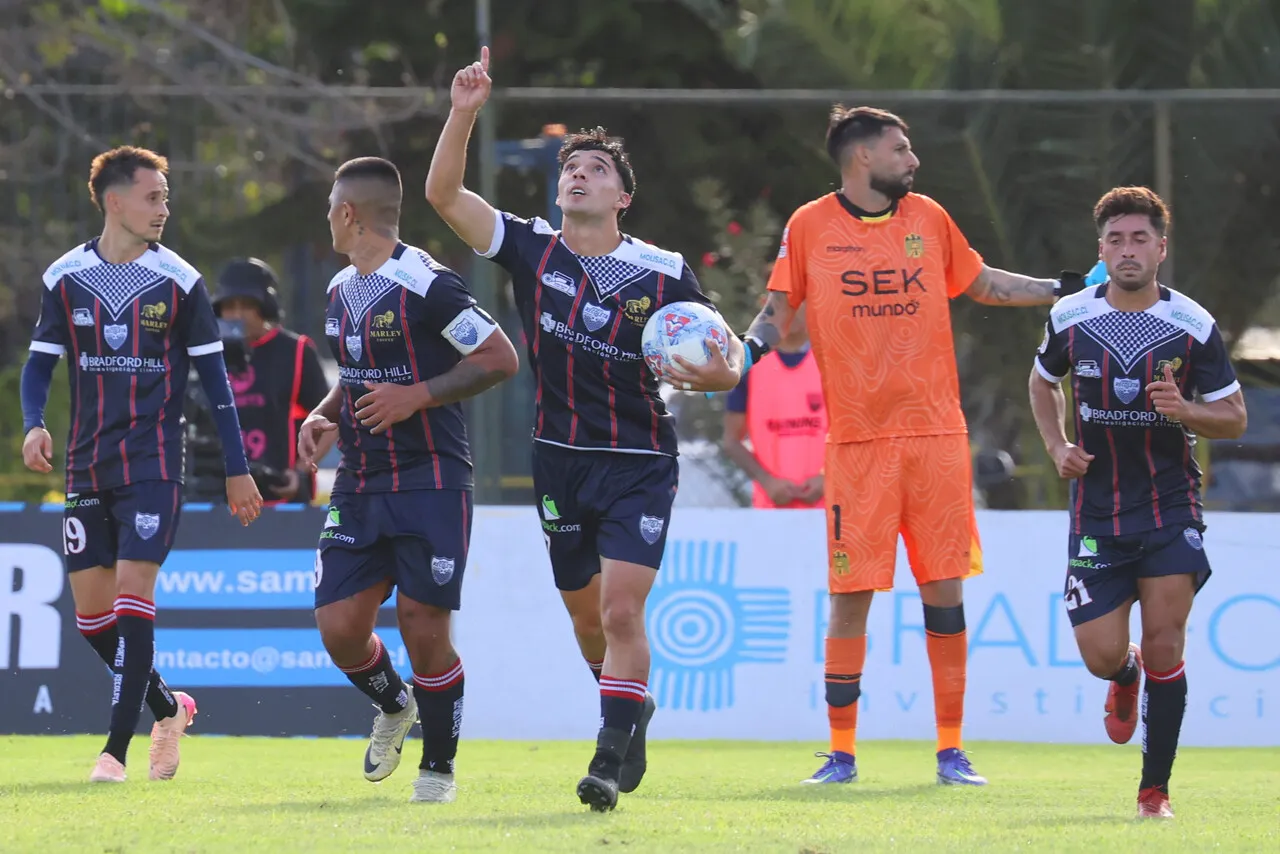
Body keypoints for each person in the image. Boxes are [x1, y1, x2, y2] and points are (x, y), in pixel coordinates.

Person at [425, 48, 746, 811]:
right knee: (586, 623)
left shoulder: (664, 273)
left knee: (621, 611)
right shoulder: (533, 249)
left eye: (597, 168)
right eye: (571, 167)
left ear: (622, 196)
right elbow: (443, 195)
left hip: (637, 461)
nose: (579, 175)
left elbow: (725, 361)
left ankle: (606, 759)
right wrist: (463, 110)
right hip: (558, 461)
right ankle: (629, 705)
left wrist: (713, 373)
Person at [741, 106, 1079, 787]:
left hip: (936, 437)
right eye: (902, 149)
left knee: (944, 593)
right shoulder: (809, 226)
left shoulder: (928, 216)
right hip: (858, 444)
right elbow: (776, 314)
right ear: (862, 157)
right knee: (850, 598)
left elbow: (981, 282)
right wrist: (735, 354)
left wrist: (1062, 289)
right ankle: (841, 755)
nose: (913, 159)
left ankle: (952, 751)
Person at [19, 145, 262, 783]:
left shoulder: (181, 281)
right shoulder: (64, 277)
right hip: (85, 465)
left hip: (154, 463)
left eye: (166, 196)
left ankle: (114, 752)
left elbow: (216, 386)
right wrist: (33, 422)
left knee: (133, 606)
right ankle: (169, 707)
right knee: (94, 623)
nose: (164, 208)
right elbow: (40, 363)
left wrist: (238, 469)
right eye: (153, 197)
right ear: (114, 201)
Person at [296, 156, 519, 804]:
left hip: (431, 479)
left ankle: (438, 771)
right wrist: (325, 413)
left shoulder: (429, 285)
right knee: (339, 626)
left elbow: (498, 357)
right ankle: (395, 706)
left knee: (424, 625)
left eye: (330, 211)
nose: (328, 222)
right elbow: (362, 376)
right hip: (361, 482)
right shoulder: (341, 290)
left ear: (348, 214)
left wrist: (416, 395)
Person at [1029, 187, 1246, 819]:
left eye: (1140, 239)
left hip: (1169, 507)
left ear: (1161, 248)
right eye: (1116, 240)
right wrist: (1057, 444)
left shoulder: (1193, 326)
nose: (1128, 250)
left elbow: (1232, 417)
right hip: (1096, 511)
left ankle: (1155, 793)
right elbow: (1042, 383)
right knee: (1103, 656)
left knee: (1165, 646)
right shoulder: (1070, 316)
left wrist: (1188, 411)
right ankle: (1123, 681)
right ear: (1102, 250)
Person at [211, 257, 330, 503]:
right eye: (229, 306)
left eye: (246, 305)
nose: (236, 315)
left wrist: (300, 470)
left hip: (282, 495)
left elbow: (329, 421)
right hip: (216, 496)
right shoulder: (207, 354)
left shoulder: (295, 351)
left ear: (266, 306)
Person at [723, 302, 826, 508]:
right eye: (784, 304)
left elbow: (862, 432)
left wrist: (830, 476)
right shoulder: (748, 366)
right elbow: (731, 441)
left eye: (799, 302)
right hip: (771, 509)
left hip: (833, 507)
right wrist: (766, 481)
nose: (792, 311)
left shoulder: (834, 361)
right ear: (767, 306)